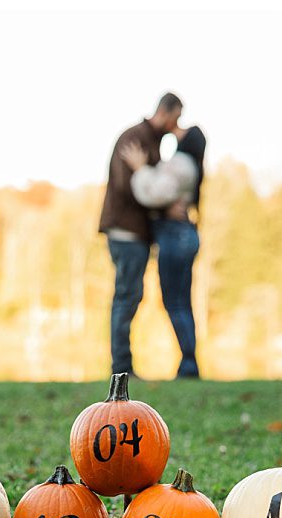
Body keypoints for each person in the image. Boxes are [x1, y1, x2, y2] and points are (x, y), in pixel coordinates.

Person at [98, 93, 183, 378]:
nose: (176, 126)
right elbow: (128, 187)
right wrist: (163, 199)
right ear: (166, 112)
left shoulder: (152, 142)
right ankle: (120, 368)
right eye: (176, 118)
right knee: (126, 296)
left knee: (132, 296)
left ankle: (124, 365)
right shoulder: (134, 139)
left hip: (137, 234)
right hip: (126, 231)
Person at [120, 124, 206, 378]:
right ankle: (189, 363)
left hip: (174, 235)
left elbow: (156, 193)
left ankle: (189, 365)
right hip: (182, 235)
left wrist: (139, 169)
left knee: (176, 302)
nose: (177, 131)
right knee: (180, 302)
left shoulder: (181, 163)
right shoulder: (191, 166)